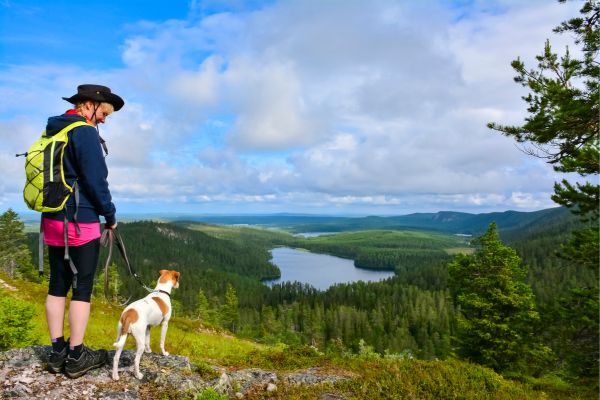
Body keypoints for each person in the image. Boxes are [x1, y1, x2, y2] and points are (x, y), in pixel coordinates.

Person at [44, 84, 124, 378]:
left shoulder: (55, 128)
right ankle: (77, 356)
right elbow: (95, 179)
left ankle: (56, 353)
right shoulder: (84, 132)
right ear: (89, 105)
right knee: (83, 285)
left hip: (51, 218)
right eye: (104, 112)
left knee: (57, 284)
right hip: (81, 219)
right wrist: (110, 215)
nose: (103, 119)